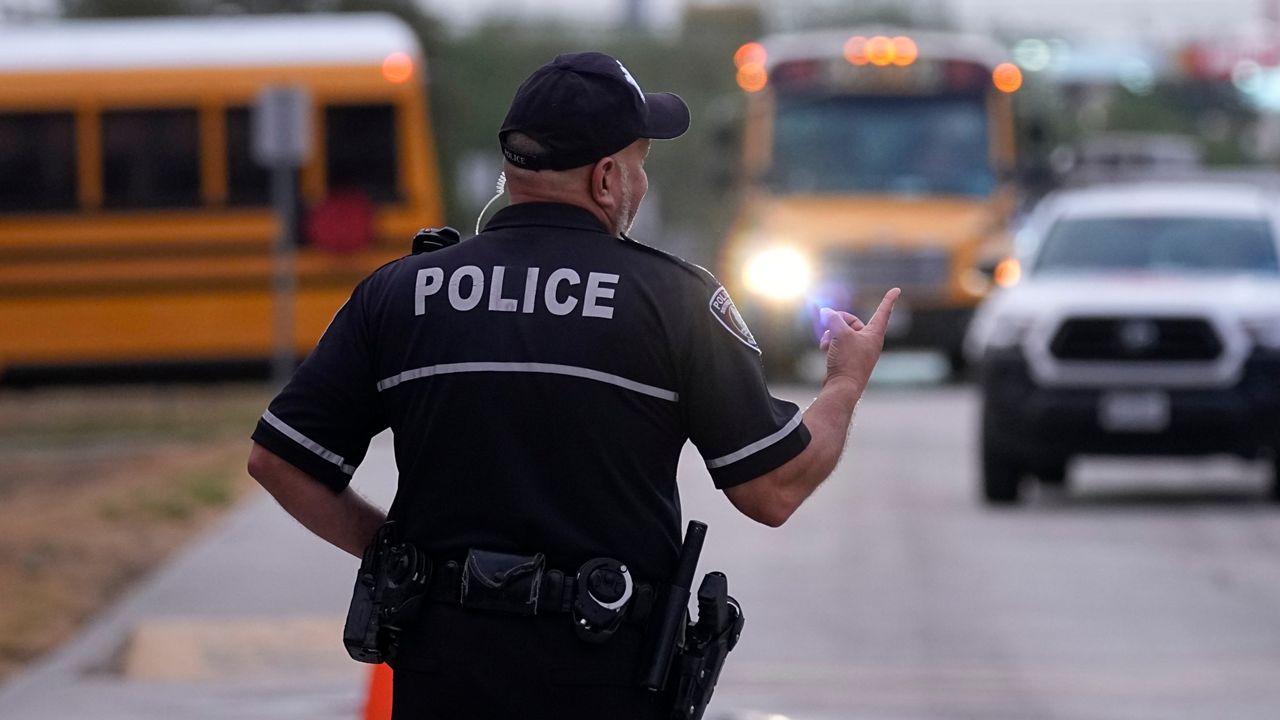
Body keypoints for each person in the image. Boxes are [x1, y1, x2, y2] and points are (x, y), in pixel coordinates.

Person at [246, 51, 899, 720]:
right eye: (640, 163)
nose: (641, 182)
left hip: (441, 671)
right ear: (608, 178)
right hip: (604, 674)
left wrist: (395, 553)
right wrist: (845, 383)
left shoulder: (402, 293)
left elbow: (279, 459)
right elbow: (773, 488)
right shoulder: (672, 300)